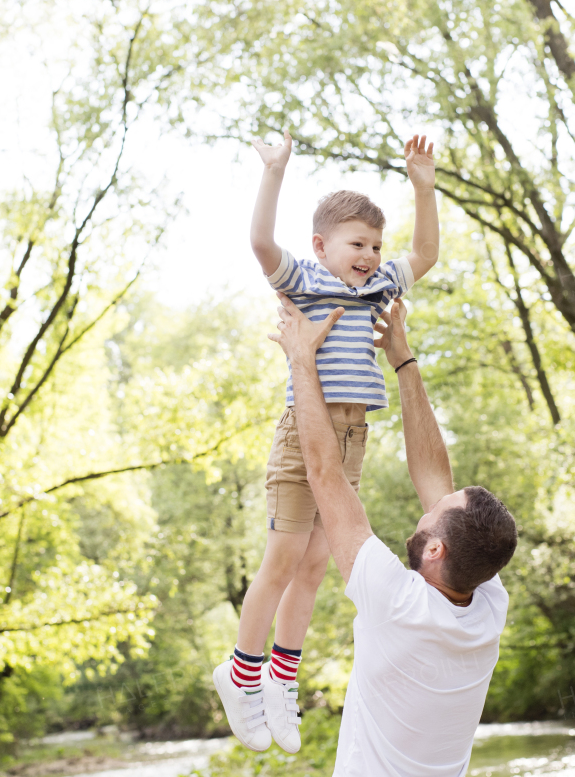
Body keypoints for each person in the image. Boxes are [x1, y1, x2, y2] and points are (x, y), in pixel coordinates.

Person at [211, 130, 441, 753]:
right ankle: (241, 671)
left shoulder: (377, 289)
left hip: (352, 435)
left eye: (374, 245)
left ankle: (282, 681)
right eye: (355, 244)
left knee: (317, 564)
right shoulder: (305, 280)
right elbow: (260, 243)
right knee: (282, 560)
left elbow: (426, 252)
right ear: (322, 245)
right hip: (303, 435)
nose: (368, 255)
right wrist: (274, 173)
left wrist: (424, 188)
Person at [270, 294, 518, 775]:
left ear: (436, 549)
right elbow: (434, 477)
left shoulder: (398, 603)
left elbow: (324, 473)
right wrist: (403, 359)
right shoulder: (486, 603)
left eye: (438, 510)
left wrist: (302, 360)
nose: (429, 505)